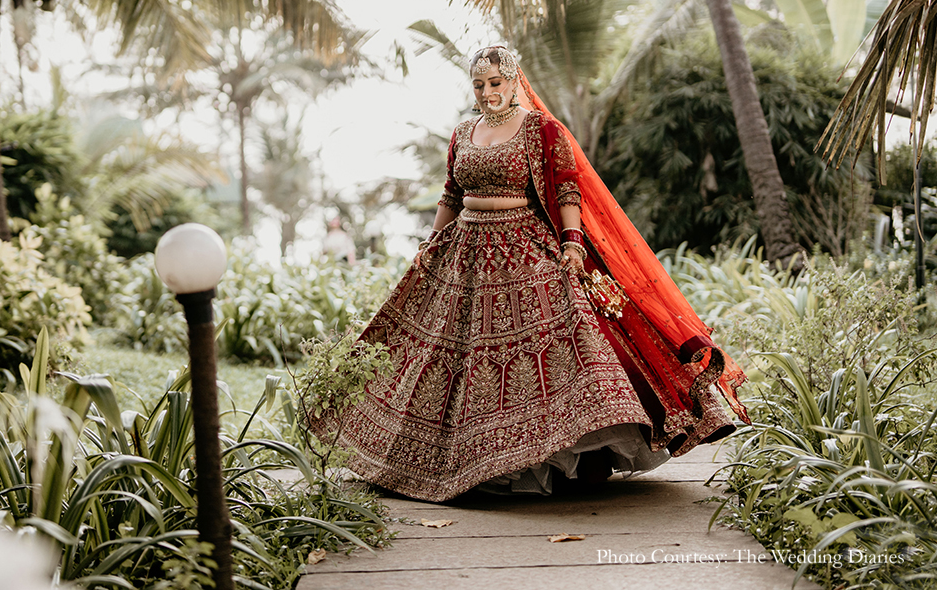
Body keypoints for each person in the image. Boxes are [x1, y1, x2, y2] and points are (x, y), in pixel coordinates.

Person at [308, 46, 749, 502]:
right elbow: (450, 195)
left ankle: (551, 460)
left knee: (544, 357)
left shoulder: (543, 129)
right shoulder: (463, 132)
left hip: (526, 253)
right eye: (478, 85)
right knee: (455, 359)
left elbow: (567, 190)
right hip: (464, 255)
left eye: (495, 83)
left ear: (514, 80)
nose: (487, 93)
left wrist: (573, 244)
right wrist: (430, 243)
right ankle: (457, 462)